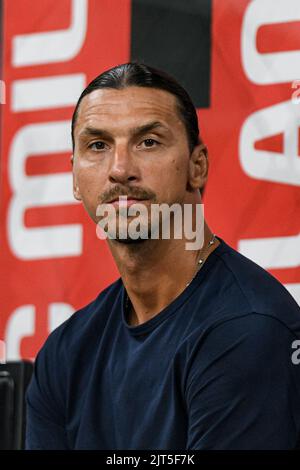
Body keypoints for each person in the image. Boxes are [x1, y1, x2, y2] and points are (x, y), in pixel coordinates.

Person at [25, 62, 300, 450]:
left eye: (148, 142)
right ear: (73, 176)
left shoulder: (248, 329)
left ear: (197, 166)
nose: (120, 169)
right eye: (98, 145)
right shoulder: (65, 353)